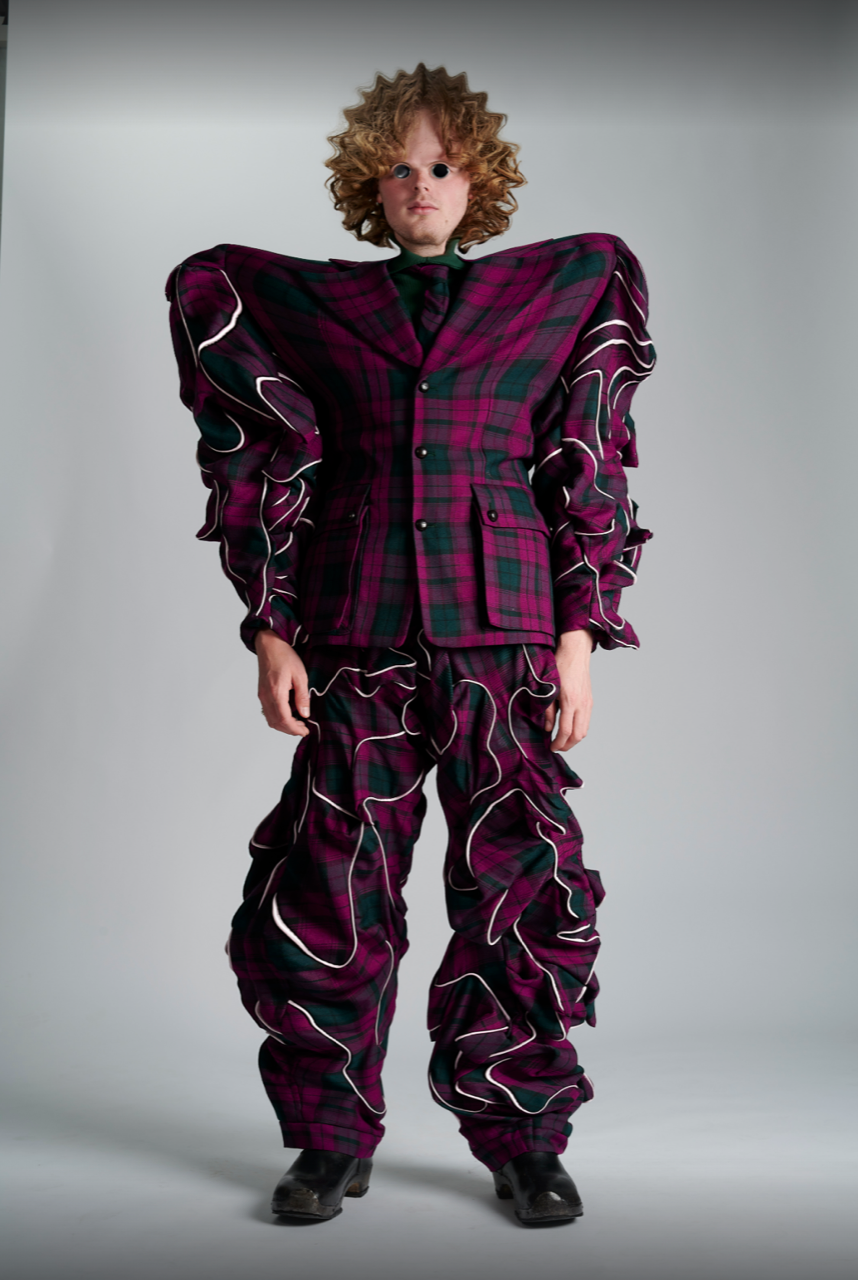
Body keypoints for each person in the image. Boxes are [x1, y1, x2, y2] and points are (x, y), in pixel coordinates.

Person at [166, 63, 655, 1227]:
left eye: (441, 165)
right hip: (356, 629)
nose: (420, 184)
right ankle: (330, 1135)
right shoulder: (317, 305)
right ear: (368, 185)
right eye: (397, 167)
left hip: (504, 633)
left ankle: (524, 1135)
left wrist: (579, 638)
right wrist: (271, 625)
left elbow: (586, 459)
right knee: (333, 880)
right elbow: (246, 417)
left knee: (520, 884)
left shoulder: (552, 296)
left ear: (476, 180)